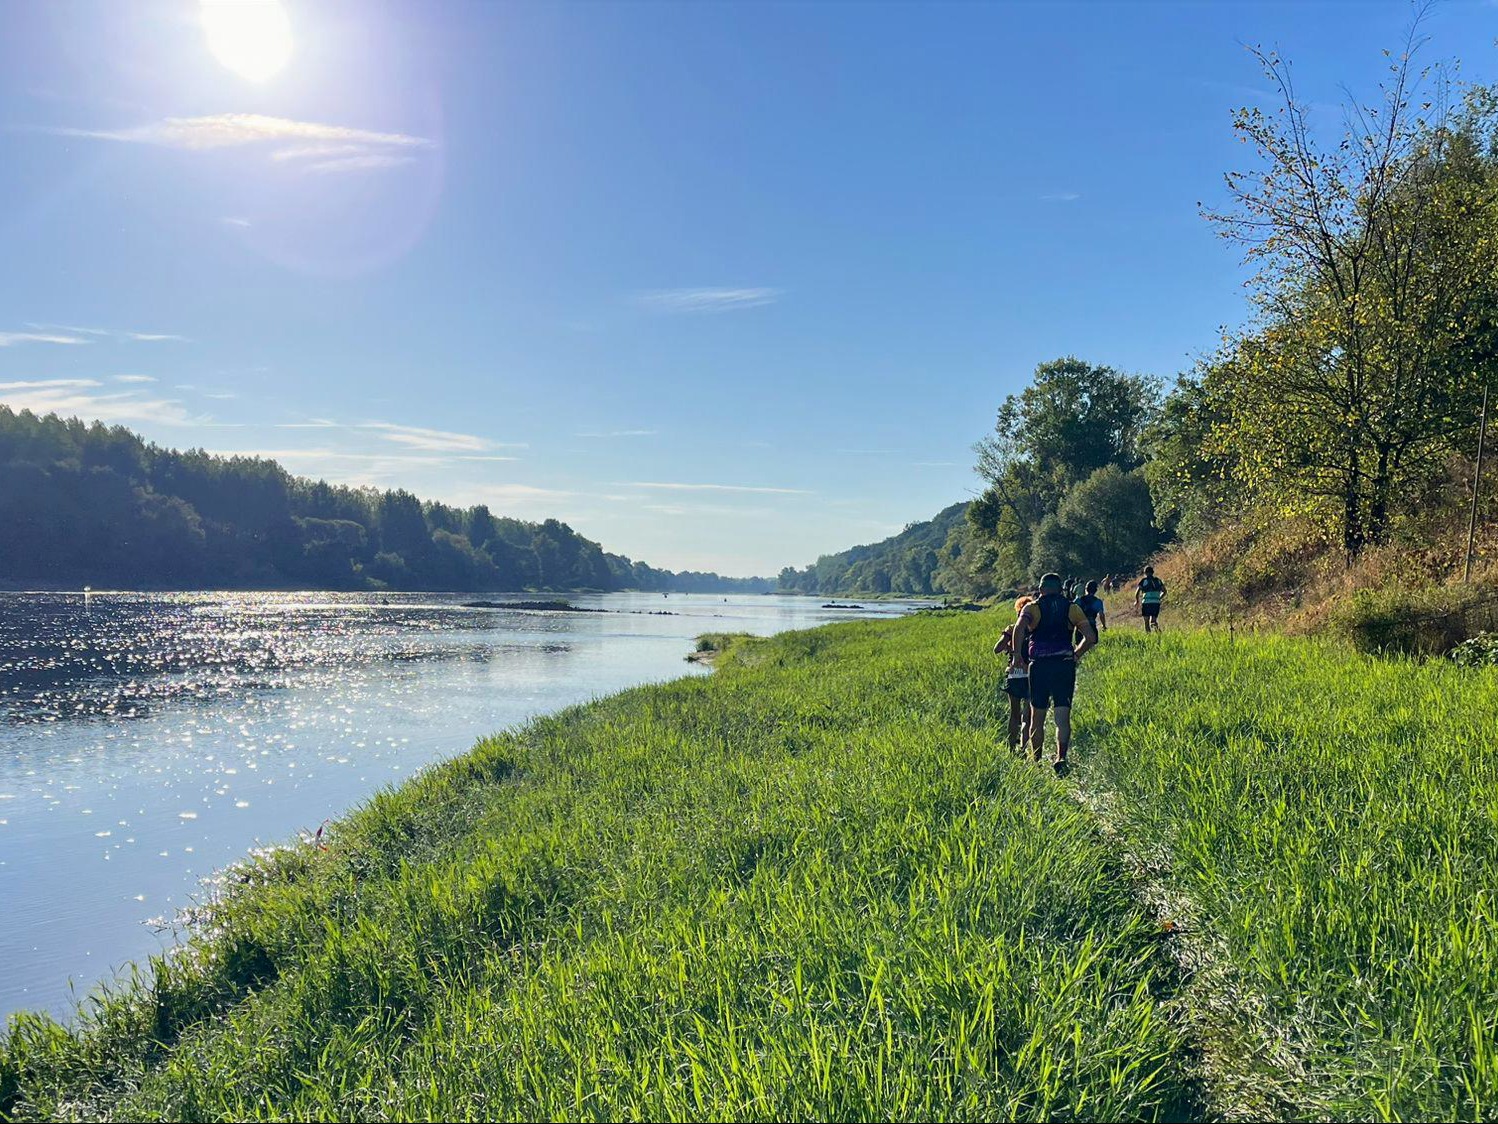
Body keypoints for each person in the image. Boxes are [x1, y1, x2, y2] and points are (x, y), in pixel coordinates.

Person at [1013, 572, 1097, 775]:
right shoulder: (1072, 608)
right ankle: (1061, 757)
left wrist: (1016, 655)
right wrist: (1076, 654)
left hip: (1039, 666)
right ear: (1061, 589)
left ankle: (1036, 760)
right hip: (1064, 666)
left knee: (1037, 717)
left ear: (1041, 589)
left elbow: (1019, 628)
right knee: (1062, 716)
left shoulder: (1031, 608)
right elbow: (1090, 637)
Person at [993, 596, 1033, 752]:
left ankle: (1011, 749)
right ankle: (1024, 748)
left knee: (1014, 714)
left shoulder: (1011, 629)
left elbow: (997, 649)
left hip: (1014, 673)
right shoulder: (1036, 629)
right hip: (1031, 673)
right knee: (1027, 716)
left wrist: (1010, 648)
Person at [1134, 566, 1167, 633]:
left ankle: (1149, 636)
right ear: (1153, 572)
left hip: (1146, 603)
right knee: (1153, 621)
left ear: (1145, 573)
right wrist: (1159, 598)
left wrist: (1137, 601)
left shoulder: (1144, 581)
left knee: (1146, 622)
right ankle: (1159, 634)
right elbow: (1164, 591)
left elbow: (1137, 592)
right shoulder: (1158, 580)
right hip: (1156, 603)